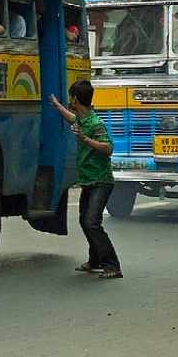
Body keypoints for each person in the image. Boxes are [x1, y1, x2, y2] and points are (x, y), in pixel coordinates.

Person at [49, 81, 122, 279]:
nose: (69, 99)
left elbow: (108, 149)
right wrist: (57, 106)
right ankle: (96, 260)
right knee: (85, 221)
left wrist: (85, 140)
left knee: (92, 222)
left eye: (70, 96)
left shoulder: (95, 123)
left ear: (76, 99)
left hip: (101, 181)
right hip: (88, 180)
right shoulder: (82, 119)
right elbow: (72, 119)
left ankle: (112, 265)